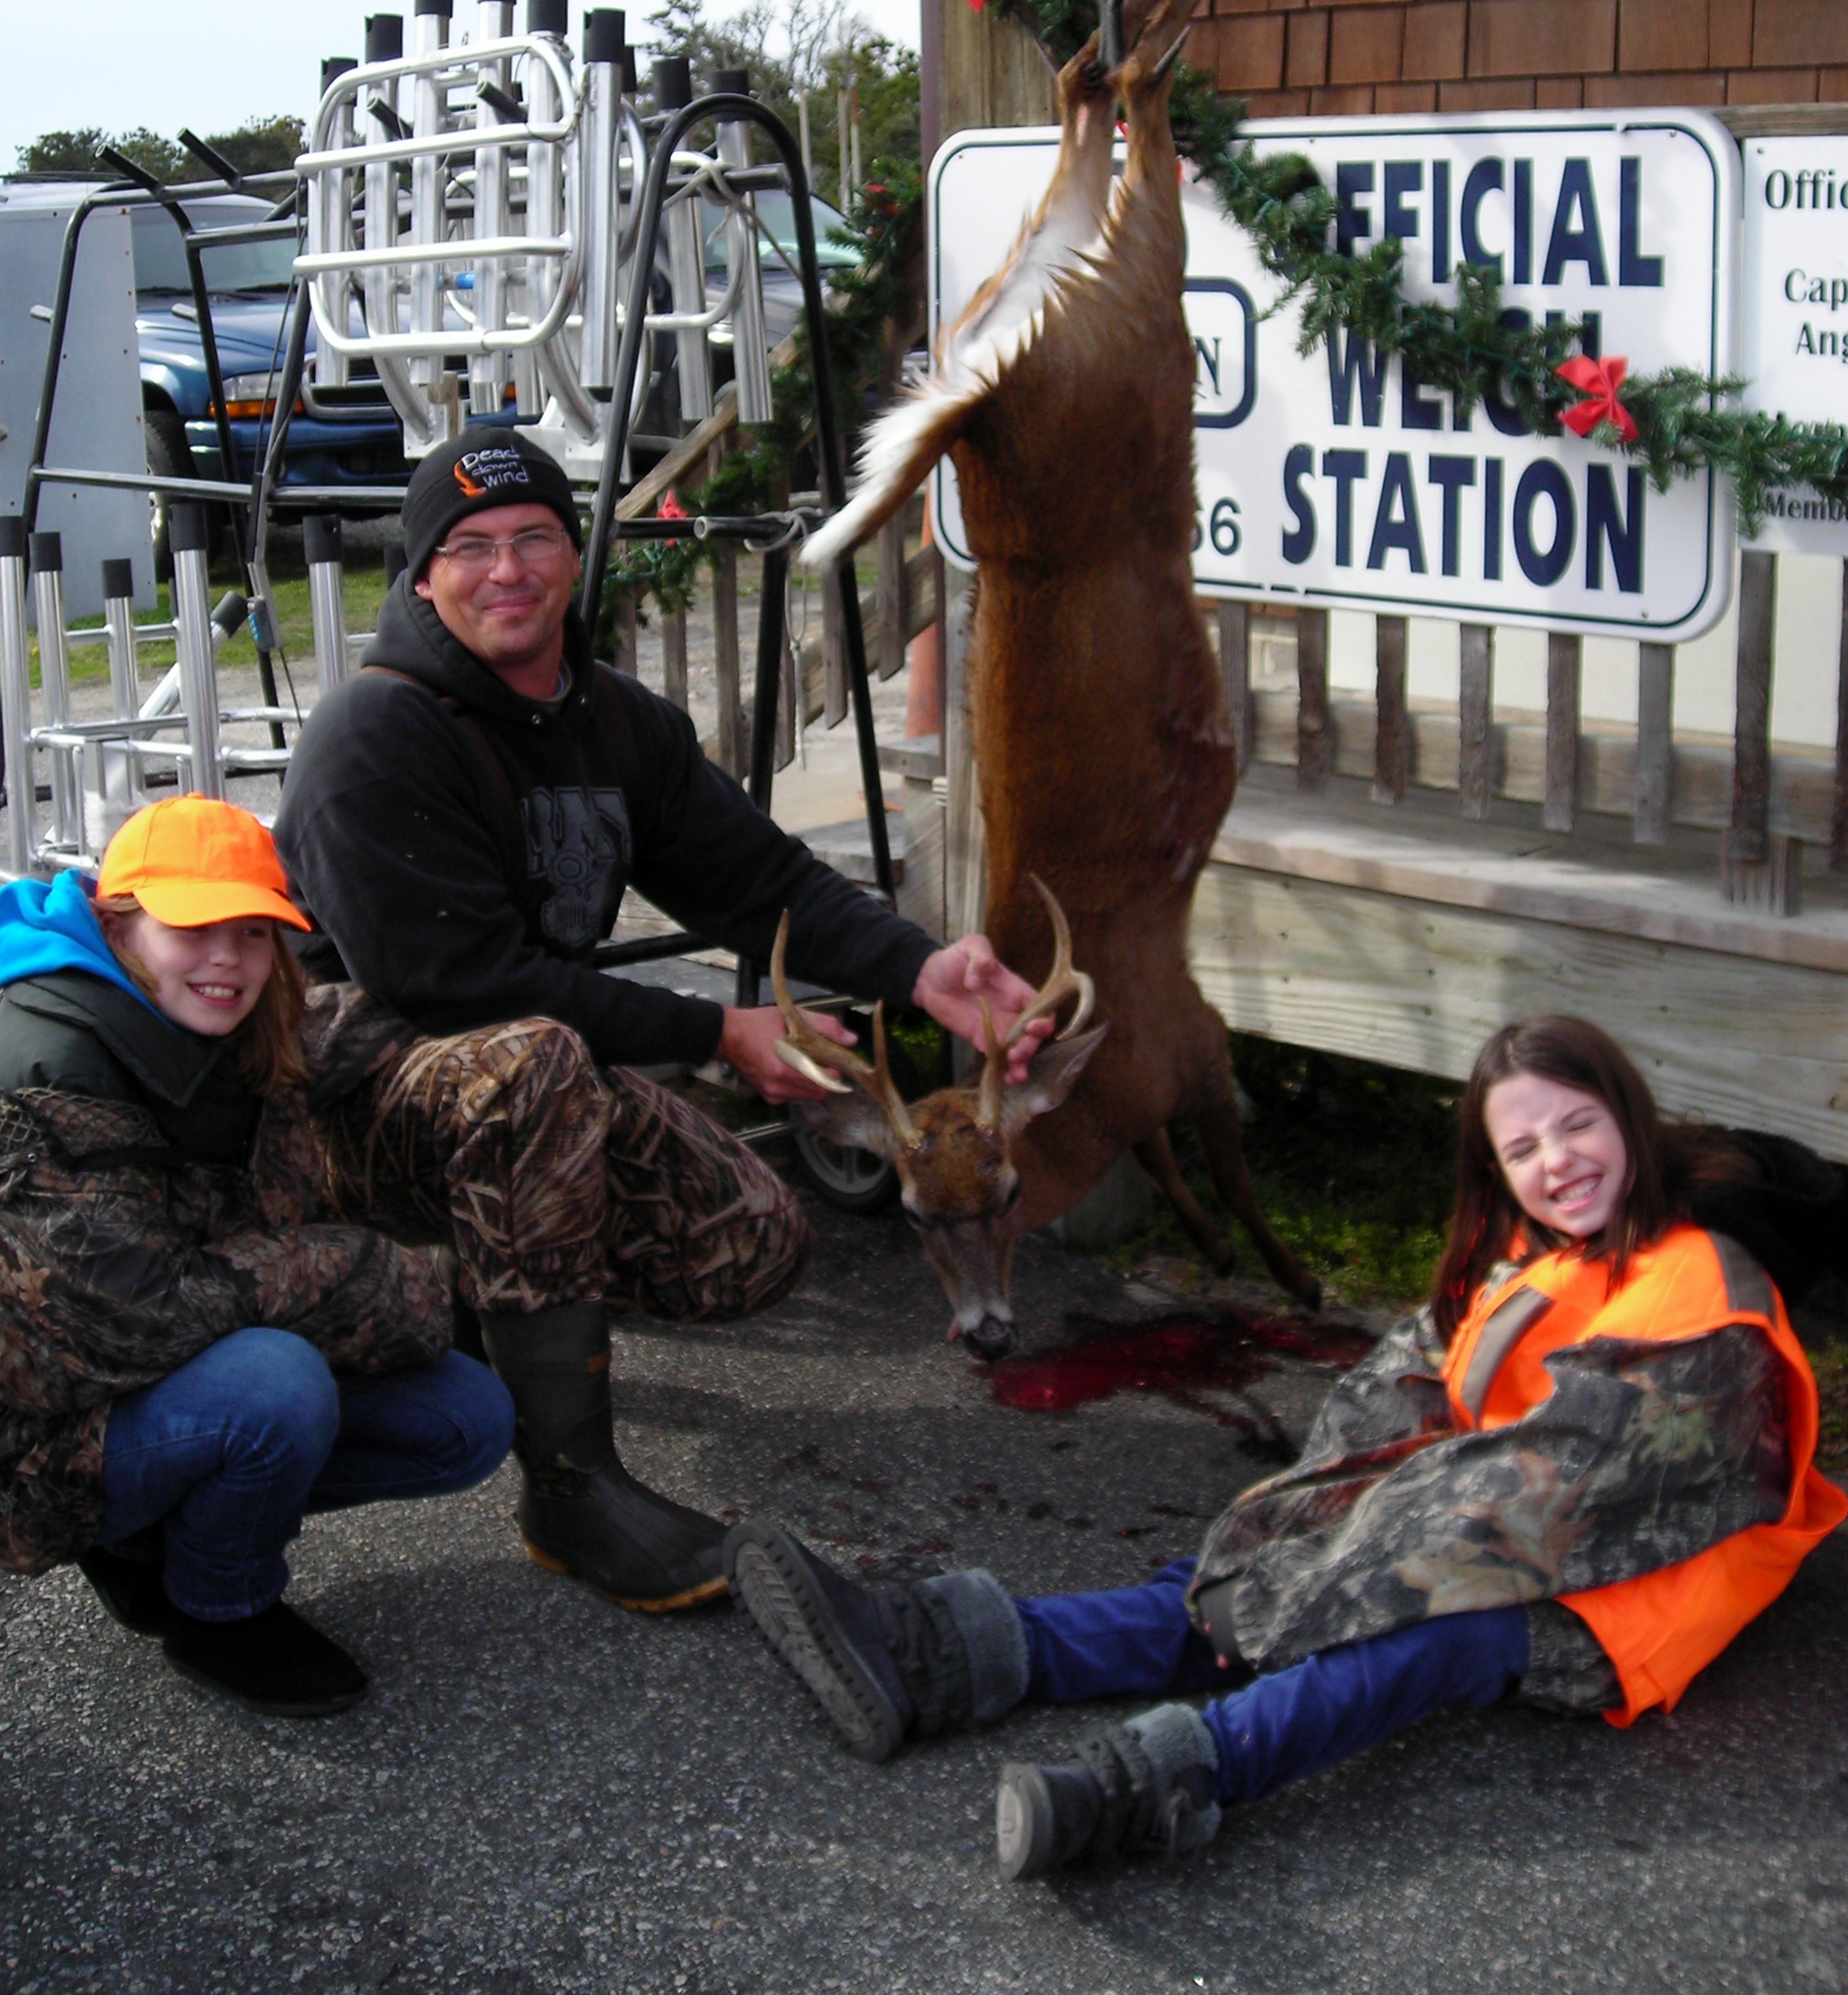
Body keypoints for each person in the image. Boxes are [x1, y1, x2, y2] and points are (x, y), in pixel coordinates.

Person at [722, 1014, 1847, 1879]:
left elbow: (1567, 1489)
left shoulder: (1703, 1292)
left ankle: (1163, 1779)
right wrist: (1298, 1522)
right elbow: (1399, 1385)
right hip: (1489, 1513)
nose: (1555, 1161)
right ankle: (947, 1653)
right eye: (1521, 1145)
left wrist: (1345, 1549)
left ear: (1629, 1118)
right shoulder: (1531, 1253)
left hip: (1626, 1591)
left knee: (1411, 1630)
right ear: (1493, 1170)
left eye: (1577, 1125)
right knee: (1257, 1564)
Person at [273, 428, 1050, 1617]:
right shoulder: (371, 740)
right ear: (421, 575)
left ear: (573, 554)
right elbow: (453, 983)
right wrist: (714, 1037)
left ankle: (491, 1304)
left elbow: (761, 881)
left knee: (752, 1240)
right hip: (339, 1112)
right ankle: (569, 1491)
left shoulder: (618, 723)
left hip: (519, 1083)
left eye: (534, 536)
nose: (508, 570)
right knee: (530, 1065)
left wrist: (920, 969)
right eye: (469, 547)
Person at [0, 795, 514, 1718]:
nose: (228, 959)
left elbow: (274, 1213)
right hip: (33, 1436)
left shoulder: (237, 1025)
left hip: (155, 1376)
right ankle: (220, 1608)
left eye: (252, 930)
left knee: (465, 1415)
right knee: (274, 1383)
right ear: (118, 922)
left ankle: (151, 1539)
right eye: (194, 926)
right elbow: (128, 1319)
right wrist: (366, 1275)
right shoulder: (49, 1056)